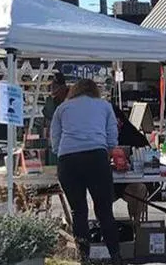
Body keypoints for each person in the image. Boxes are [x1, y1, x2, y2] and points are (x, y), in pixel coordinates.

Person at [50, 79, 122, 265]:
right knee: (104, 210)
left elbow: (55, 137)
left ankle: (84, 257)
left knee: (78, 211)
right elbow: (112, 134)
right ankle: (115, 255)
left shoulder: (63, 108)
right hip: (95, 156)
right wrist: (107, 150)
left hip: (68, 159)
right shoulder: (104, 106)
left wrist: (61, 152)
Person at [112, 104, 150, 226]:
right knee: (98, 192)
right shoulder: (98, 135)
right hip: (107, 183)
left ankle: (136, 229)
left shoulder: (132, 135)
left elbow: (147, 154)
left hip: (129, 182)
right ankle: (104, 232)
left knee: (139, 189)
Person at [43, 72, 69, 165]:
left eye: (55, 84)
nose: (53, 87)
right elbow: (48, 115)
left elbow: (49, 115)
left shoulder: (69, 99)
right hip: (55, 134)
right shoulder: (52, 100)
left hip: (65, 136)